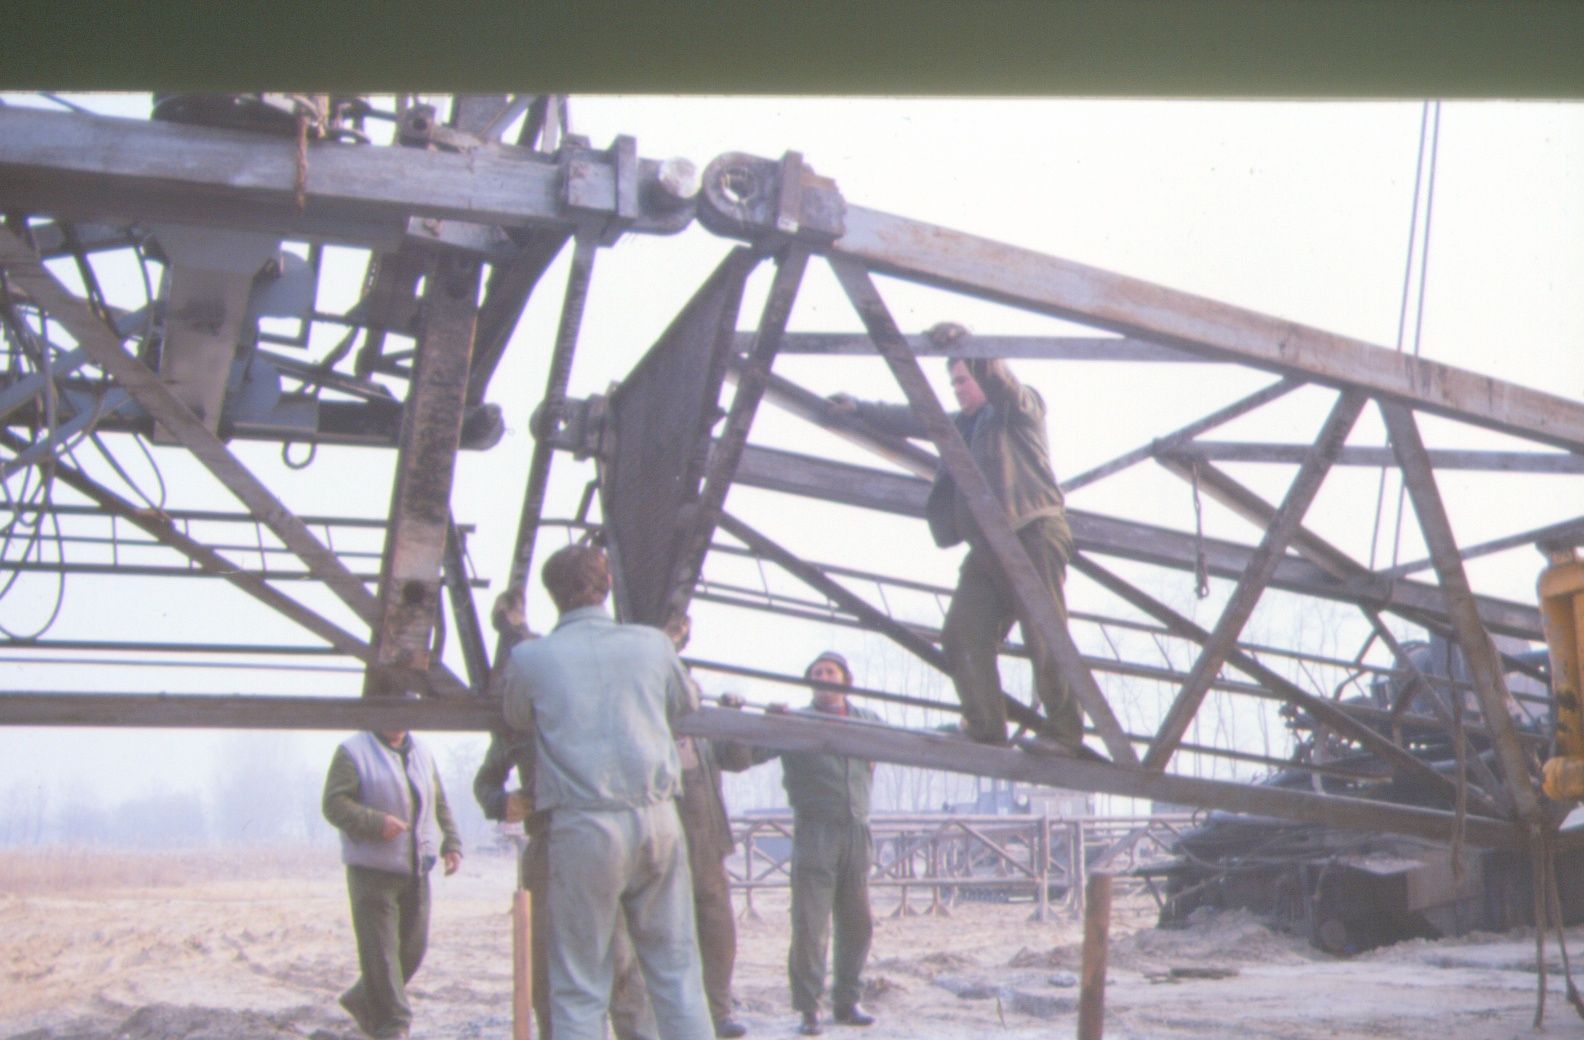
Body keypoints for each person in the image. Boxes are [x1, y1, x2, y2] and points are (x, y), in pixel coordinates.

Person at [831, 322, 1083, 753]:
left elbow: (1002, 384)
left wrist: (972, 345)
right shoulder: (961, 425)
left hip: (1032, 533)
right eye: (953, 383)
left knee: (1044, 631)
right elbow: (915, 417)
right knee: (962, 632)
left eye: (963, 380)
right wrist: (859, 409)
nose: (958, 390)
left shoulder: (1019, 409)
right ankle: (985, 727)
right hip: (987, 548)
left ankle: (1064, 733)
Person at [499, 544, 714, 1040]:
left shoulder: (530, 657)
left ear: (552, 594)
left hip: (585, 825)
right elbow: (686, 702)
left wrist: (517, 632)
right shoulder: (652, 645)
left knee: (580, 984)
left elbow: (515, 716)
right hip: (658, 817)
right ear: (608, 585)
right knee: (677, 974)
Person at [474, 589, 657, 1040]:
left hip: (603, 843)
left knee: (620, 960)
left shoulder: (599, 710)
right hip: (548, 849)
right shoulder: (517, 731)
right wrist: (501, 802)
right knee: (550, 962)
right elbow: (486, 782)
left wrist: (514, 628)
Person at [752, 650, 880, 1036]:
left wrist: (962, 727)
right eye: (817, 673)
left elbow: (914, 741)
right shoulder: (796, 722)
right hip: (816, 832)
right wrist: (768, 721)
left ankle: (847, 1000)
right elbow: (749, 751)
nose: (823, 678)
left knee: (858, 923)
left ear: (846, 680)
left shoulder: (867, 721)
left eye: (830, 672)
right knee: (810, 924)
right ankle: (809, 1008)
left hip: (857, 830)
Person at [322, 723, 463, 1040]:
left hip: (416, 867)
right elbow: (333, 803)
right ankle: (394, 1025)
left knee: (412, 949)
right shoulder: (353, 752)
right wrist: (376, 822)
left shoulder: (422, 752)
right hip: (372, 869)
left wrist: (452, 842)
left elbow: (439, 801)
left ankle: (363, 1001)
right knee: (382, 953)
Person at [665, 615, 756, 1039]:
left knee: (716, 930)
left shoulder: (703, 733)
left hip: (707, 846)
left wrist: (733, 723)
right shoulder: (648, 732)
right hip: (663, 846)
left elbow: (738, 760)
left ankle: (718, 1012)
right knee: (665, 932)